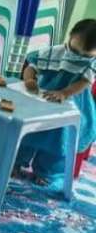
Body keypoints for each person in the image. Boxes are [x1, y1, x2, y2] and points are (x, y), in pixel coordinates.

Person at [14, 19, 96, 186]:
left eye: (85, 55)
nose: (77, 57)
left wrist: (65, 93)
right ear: (70, 37)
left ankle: (45, 171)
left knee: (59, 142)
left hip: (73, 102)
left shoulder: (91, 62)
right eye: (74, 50)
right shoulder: (55, 52)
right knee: (29, 132)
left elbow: (84, 82)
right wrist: (29, 79)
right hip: (43, 98)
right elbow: (32, 66)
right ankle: (15, 163)